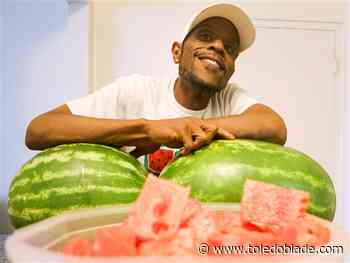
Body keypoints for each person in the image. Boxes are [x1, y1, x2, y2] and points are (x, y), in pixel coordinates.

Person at [25, 3, 287, 173]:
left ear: (230, 69)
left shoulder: (229, 99)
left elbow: (274, 126)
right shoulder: (135, 91)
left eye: (230, 49)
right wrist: (145, 129)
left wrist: (202, 127)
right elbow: (39, 130)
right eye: (205, 36)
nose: (218, 47)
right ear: (177, 52)